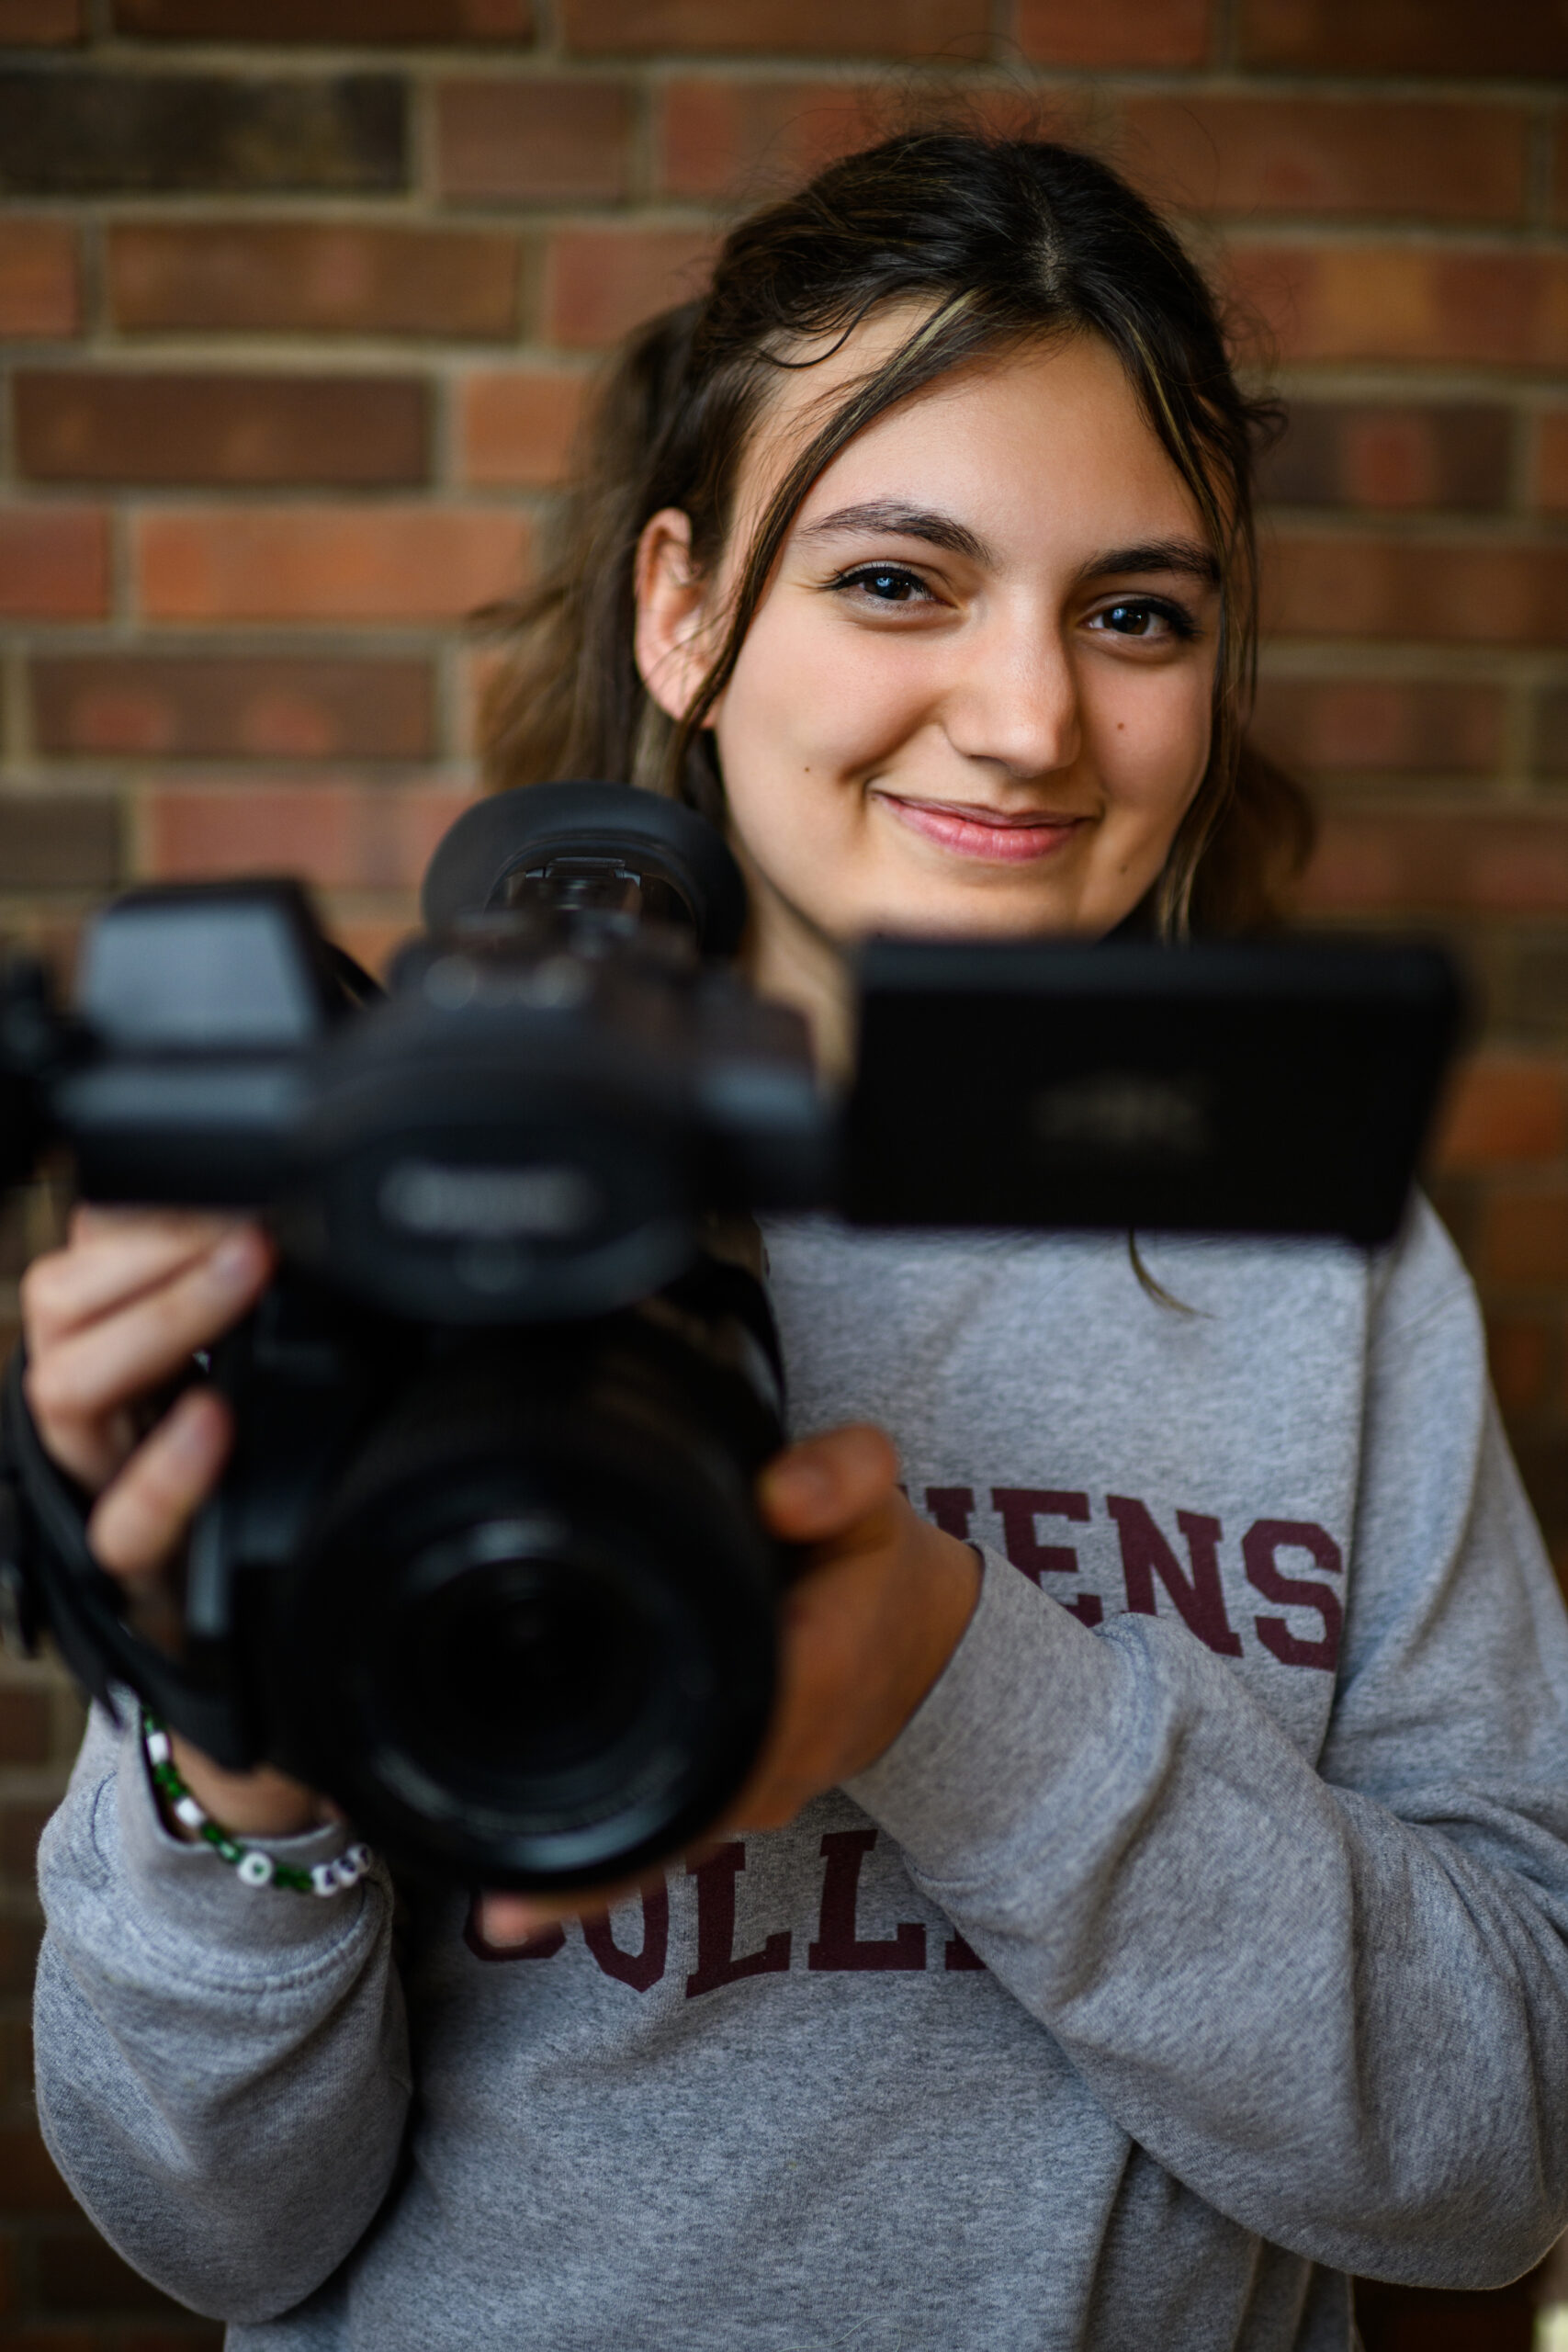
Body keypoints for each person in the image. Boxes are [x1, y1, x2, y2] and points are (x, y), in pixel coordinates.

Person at [24, 130, 1568, 2352]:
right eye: (894, 579)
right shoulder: (398, 1186)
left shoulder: (1325, 1271)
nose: (1032, 718)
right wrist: (231, 1762)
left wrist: (948, 1682)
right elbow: (211, 2231)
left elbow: (1507, 2136)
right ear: (683, 606)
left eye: (1135, 610)